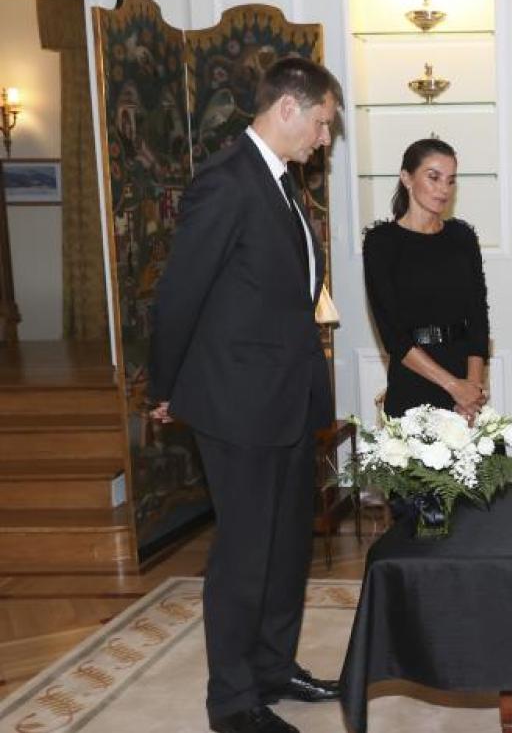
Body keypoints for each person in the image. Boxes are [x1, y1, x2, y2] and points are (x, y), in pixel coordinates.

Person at [148, 57, 342, 733]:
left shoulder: (283, 183)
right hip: (236, 400)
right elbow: (179, 296)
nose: (324, 139)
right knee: (245, 553)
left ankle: (271, 666)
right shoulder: (226, 184)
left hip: (286, 396)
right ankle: (231, 702)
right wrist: (164, 386)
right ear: (288, 108)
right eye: (322, 124)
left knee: (288, 546)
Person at [363, 138, 489, 422]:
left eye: (451, 180)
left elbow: (478, 318)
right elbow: (393, 336)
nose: (444, 189)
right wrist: (453, 386)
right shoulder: (381, 243)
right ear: (406, 178)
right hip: (413, 379)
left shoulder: (462, 237)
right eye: (433, 177)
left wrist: (472, 389)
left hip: (466, 382)